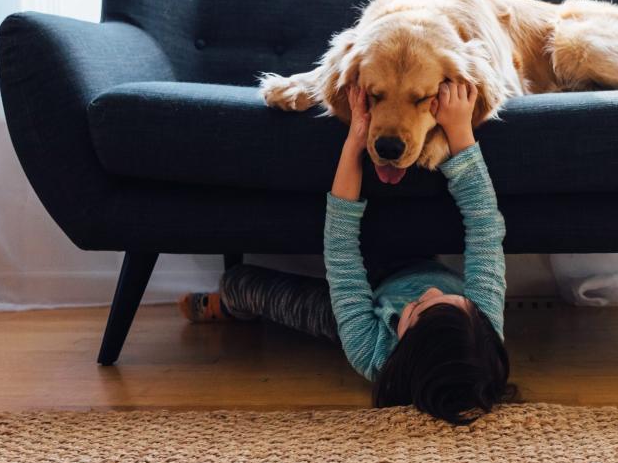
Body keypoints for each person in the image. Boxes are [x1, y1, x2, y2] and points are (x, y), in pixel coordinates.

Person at [179, 81, 513, 424]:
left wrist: (353, 143)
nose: (430, 290)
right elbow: (484, 224)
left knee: (240, 283)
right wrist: (459, 131)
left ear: (400, 347)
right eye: (451, 298)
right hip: (415, 261)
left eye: (416, 308)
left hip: (362, 304)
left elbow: (341, 253)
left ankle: (232, 305)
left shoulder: (368, 350)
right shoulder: (483, 322)